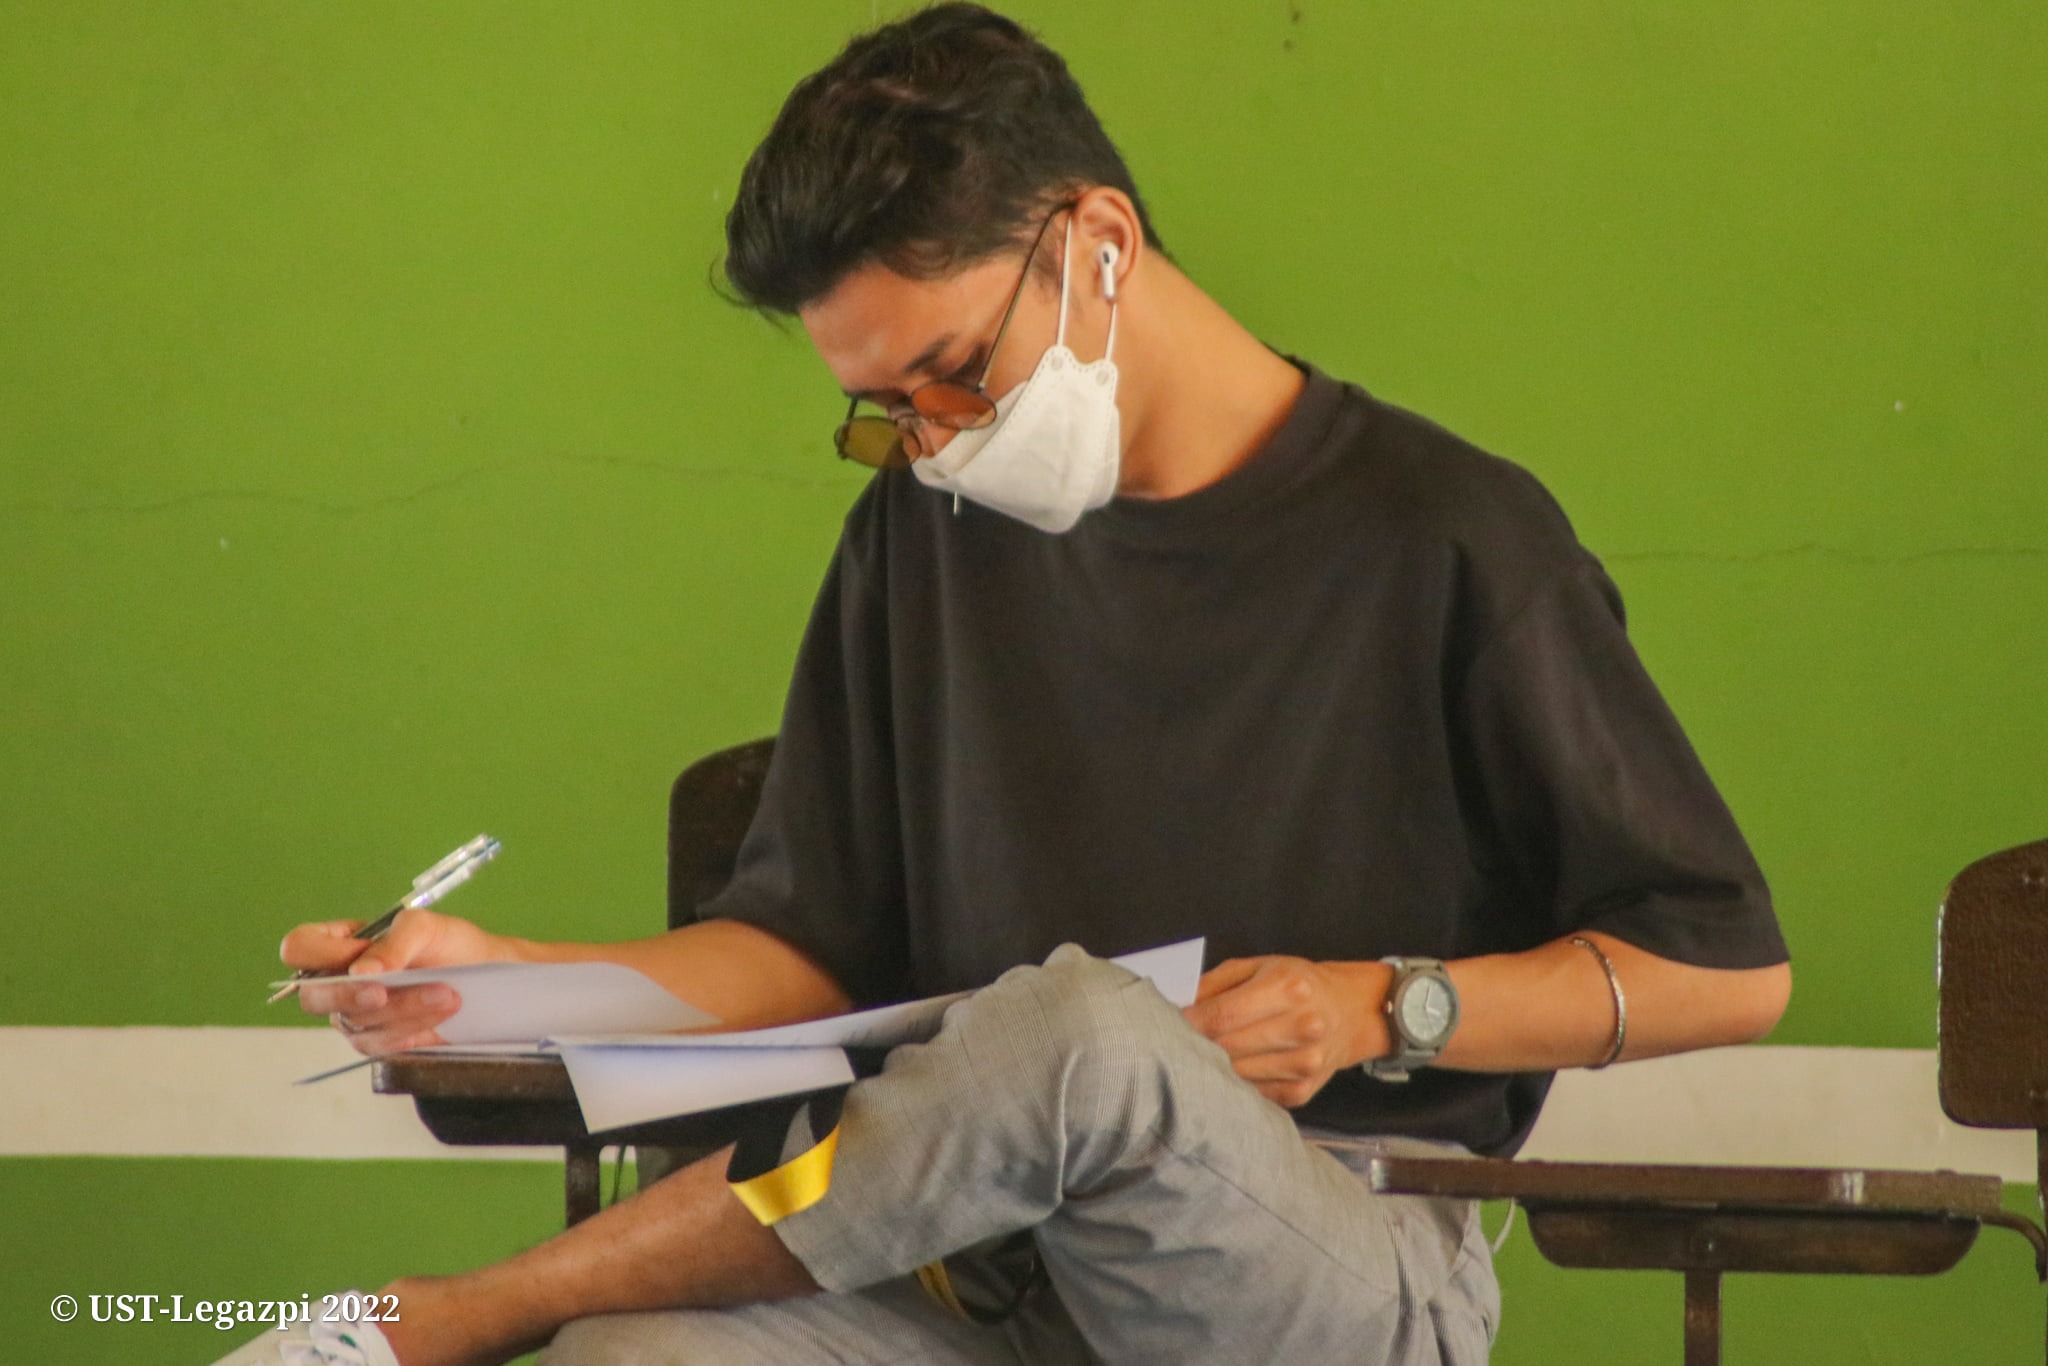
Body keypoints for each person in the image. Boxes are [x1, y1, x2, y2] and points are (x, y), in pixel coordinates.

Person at [220, 6, 1791, 1364]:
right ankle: (518, 1321)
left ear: (1099, 244)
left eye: (956, 373)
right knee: (641, 1354)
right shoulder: (923, 533)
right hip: (971, 1271)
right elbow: (806, 954)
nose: (931, 440)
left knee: (1081, 1033)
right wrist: (502, 980)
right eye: (883, 409)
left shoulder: (1449, 536)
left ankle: (458, 1314)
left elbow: (1724, 968)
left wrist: (1380, 1002)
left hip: (1332, 1259)